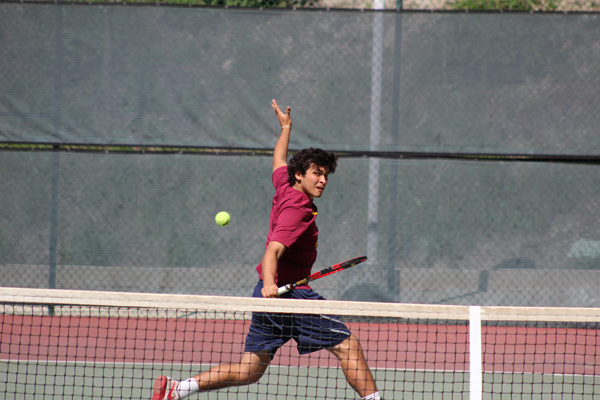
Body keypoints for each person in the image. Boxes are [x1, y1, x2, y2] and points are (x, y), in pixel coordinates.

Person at [152, 100, 382, 400]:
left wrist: (285, 128)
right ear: (300, 174)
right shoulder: (298, 209)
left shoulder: (285, 185)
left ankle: (178, 389)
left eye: (326, 174)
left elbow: (278, 160)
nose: (323, 180)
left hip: (267, 294)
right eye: (317, 173)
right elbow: (273, 250)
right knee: (347, 345)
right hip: (289, 295)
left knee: (250, 371)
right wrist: (273, 285)